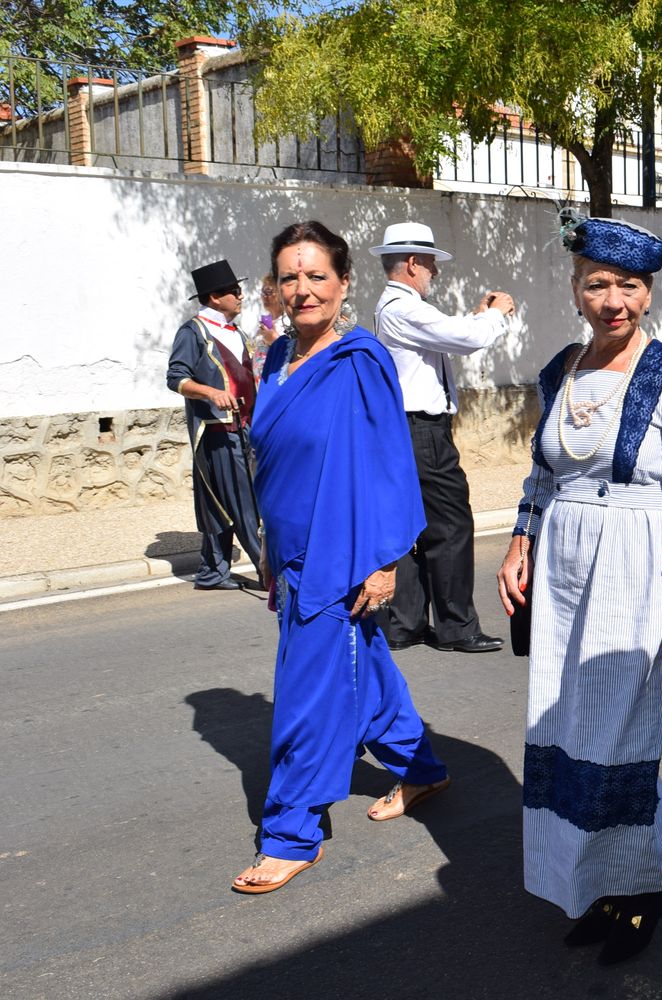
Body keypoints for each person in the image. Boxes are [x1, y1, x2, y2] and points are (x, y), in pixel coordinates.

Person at [497, 217, 662, 966]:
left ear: (648, 292)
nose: (614, 301)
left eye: (629, 285)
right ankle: (597, 885)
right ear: (575, 289)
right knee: (566, 729)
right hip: (563, 569)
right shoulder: (559, 371)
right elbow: (544, 472)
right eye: (598, 284)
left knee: (621, 735)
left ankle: (645, 889)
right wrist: (521, 540)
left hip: (637, 566)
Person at [232, 221, 449, 894]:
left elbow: (388, 462)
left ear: (344, 282)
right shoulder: (277, 358)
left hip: (338, 556)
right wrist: (268, 549)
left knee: (307, 698)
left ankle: (291, 832)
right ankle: (421, 769)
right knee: (365, 669)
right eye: (289, 277)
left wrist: (385, 561)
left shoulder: (360, 360)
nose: (302, 289)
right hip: (290, 553)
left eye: (316, 275)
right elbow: (274, 459)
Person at [371, 221, 514, 654]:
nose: (435, 271)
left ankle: (406, 623)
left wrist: (477, 317)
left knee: (414, 525)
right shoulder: (403, 307)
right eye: (431, 263)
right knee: (450, 524)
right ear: (413, 263)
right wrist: (496, 314)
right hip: (422, 430)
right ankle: (455, 626)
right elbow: (467, 339)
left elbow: (448, 334)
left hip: (411, 428)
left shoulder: (399, 307)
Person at [166, 259, 263, 592]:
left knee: (222, 503)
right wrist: (211, 392)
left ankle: (212, 571)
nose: (240, 295)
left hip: (246, 427)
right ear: (214, 297)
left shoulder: (238, 333)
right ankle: (271, 573)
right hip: (219, 432)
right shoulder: (193, 332)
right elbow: (176, 378)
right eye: (233, 290)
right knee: (244, 503)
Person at [250, 273, 283, 382]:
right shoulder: (263, 322)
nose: (264, 296)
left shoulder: (289, 323)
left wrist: (274, 340)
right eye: (262, 292)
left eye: (268, 291)